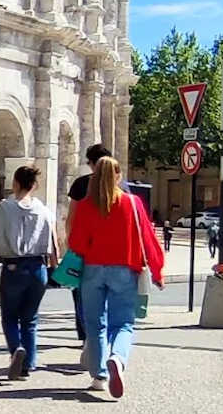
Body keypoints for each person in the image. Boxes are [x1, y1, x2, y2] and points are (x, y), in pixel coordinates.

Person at [68, 157, 164, 399]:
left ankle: (99, 376)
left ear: (94, 176)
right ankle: (117, 359)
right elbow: (148, 239)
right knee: (123, 323)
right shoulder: (132, 203)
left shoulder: (86, 205)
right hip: (124, 269)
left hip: (92, 270)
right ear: (119, 176)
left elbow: (76, 243)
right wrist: (157, 269)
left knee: (94, 324)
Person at [0, 165, 58, 380]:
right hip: (38, 266)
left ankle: (16, 348)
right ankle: (28, 364)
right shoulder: (44, 210)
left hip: (14, 264)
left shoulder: (4, 208)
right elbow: (52, 238)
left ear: (15, 183)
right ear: (34, 185)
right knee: (30, 318)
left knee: (9, 316)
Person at [65, 144, 116, 342]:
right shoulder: (121, 186)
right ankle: (103, 337)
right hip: (113, 252)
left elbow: (72, 219)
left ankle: (88, 336)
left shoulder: (81, 185)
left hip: (85, 250)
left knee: (81, 295)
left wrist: (71, 247)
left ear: (94, 163)